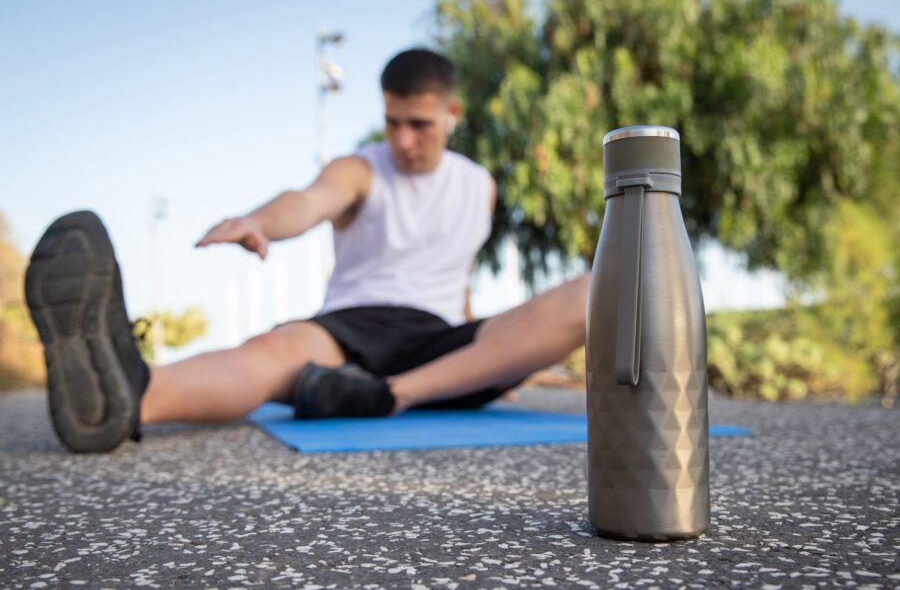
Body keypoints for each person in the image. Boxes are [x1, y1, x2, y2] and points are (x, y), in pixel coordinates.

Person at [25, 48, 589, 453]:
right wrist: (261, 221)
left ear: (452, 115)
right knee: (276, 352)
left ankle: (389, 395)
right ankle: (134, 393)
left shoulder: (479, 185)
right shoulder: (361, 169)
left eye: (418, 125)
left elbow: (456, 278)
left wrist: (502, 358)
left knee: (592, 292)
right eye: (392, 122)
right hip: (355, 327)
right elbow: (310, 200)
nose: (401, 140)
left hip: (443, 345)